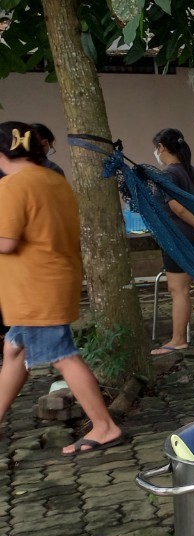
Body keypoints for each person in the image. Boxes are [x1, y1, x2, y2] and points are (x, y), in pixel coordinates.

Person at [0, 121, 125, 455]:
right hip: (53, 280)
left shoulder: (13, 186)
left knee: (61, 357)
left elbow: (7, 241)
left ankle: (104, 426)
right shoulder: (53, 180)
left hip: (33, 289)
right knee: (14, 350)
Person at [150, 128, 194, 353]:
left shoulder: (167, 175)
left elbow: (177, 208)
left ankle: (178, 339)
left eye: (157, 148)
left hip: (180, 239)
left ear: (161, 147)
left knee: (178, 289)